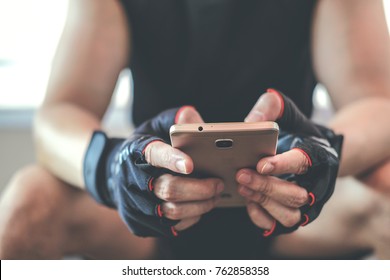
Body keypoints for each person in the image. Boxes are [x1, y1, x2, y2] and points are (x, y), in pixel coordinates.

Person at [0, 0, 390, 259]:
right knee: (29, 201)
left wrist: (324, 151)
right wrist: (110, 168)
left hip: (287, 212)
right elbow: (60, 112)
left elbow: (376, 103)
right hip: (150, 212)